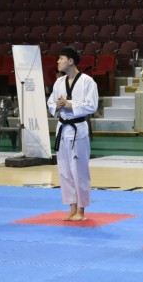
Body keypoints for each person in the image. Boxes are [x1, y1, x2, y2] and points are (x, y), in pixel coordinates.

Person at [47, 47, 99, 222]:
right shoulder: (59, 82)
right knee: (65, 170)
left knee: (79, 170)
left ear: (70, 61)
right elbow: (51, 103)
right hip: (62, 128)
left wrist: (69, 104)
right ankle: (72, 208)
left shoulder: (87, 82)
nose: (58, 62)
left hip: (78, 129)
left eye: (61, 58)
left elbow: (92, 105)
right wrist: (57, 106)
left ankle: (81, 210)